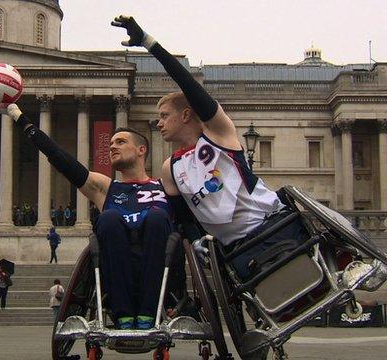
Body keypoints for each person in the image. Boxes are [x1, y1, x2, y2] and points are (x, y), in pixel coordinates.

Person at [112, 16, 306, 281]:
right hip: (237, 250)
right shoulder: (170, 168)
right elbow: (183, 217)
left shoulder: (219, 135)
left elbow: (188, 85)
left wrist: (149, 43)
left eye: (165, 115)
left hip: (273, 225)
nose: (158, 123)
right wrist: (195, 240)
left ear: (186, 115)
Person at [0, 103, 173, 330]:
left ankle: (149, 311)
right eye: (111, 143)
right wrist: (19, 117)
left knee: (157, 218)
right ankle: (123, 312)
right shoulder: (105, 188)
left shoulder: (166, 186)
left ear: (141, 150)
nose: (112, 147)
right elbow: (60, 158)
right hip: (117, 259)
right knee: (108, 219)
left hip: (156, 257)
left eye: (121, 142)